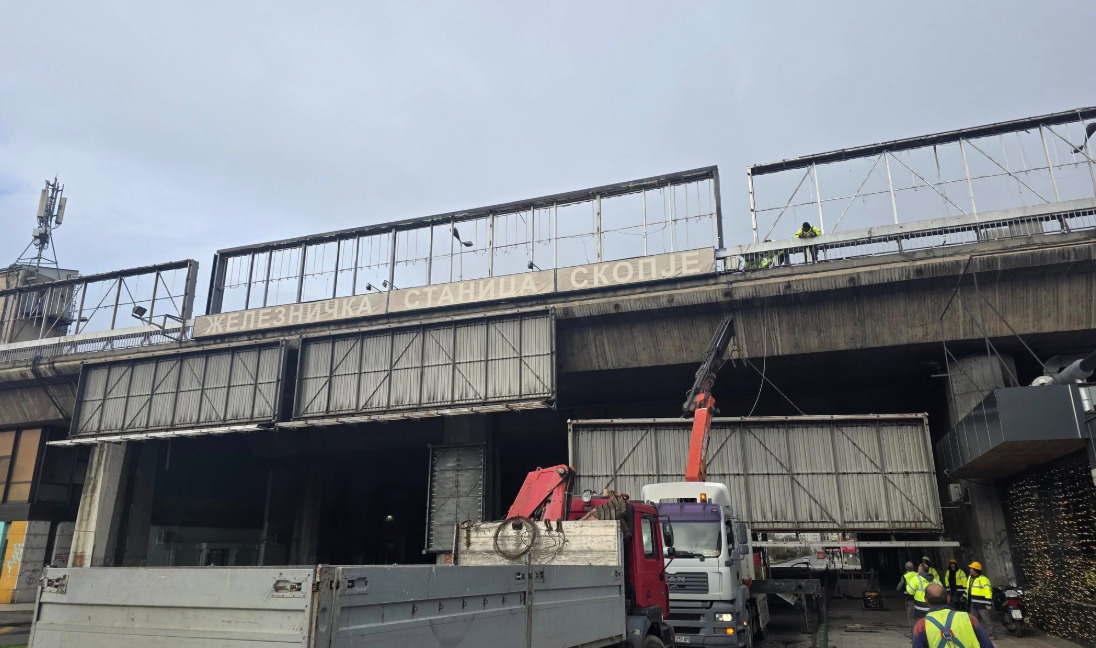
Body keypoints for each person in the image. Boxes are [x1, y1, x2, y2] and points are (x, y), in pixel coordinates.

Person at [912, 583, 996, 648]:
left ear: (926, 600)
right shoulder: (969, 618)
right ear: (948, 598)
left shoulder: (921, 626)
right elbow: (987, 645)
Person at [966, 562, 996, 639]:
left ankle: (991, 634)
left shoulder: (983, 579)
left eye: (971, 568)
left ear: (975, 570)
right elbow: (968, 589)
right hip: (974, 603)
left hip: (982, 604)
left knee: (986, 619)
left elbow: (988, 591)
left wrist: (988, 603)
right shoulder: (970, 578)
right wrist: (966, 599)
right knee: (973, 619)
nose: (970, 569)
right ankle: (976, 633)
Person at [898, 561, 920, 629]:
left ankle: (914, 633)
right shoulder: (918, 574)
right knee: (919, 616)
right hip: (919, 598)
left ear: (906, 568)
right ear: (913, 567)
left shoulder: (904, 576)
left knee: (911, 616)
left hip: (910, 598)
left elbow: (899, 587)